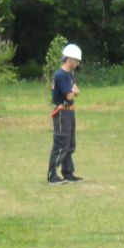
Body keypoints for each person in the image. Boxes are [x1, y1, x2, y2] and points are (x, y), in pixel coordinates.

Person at [48, 43, 84, 185]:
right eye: (76, 61)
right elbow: (70, 95)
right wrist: (74, 91)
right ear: (69, 59)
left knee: (69, 144)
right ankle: (52, 175)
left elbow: (74, 91)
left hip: (69, 111)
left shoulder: (69, 75)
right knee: (61, 143)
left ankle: (68, 173)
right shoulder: (61, 75)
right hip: (62, 113)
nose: (78, 64)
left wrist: (74, 91)